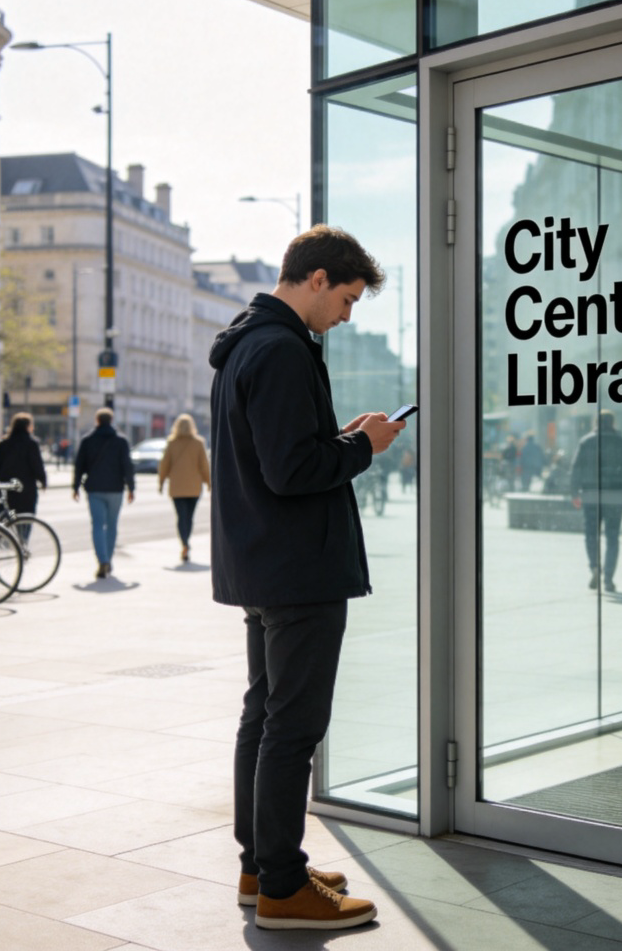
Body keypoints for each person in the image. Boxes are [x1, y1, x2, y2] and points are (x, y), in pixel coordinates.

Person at [209, 224, 405, 931]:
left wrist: (342, 438)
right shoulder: (284, 350)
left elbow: (280, 454)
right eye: (348, 299)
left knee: (263, 717)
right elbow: (293, 471)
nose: (347, 315)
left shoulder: (246, 347)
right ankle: (284, 890)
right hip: (298, 568)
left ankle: (262, 867)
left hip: (264, 563)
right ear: (316, 279)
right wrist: (365, 447)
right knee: (292, 726)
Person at [570, 409, 622, 593]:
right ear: (613, 423)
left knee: (591, 533)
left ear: (596, 423)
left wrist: (574, 492)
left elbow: (576, 468)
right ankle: (608, 578)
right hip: (615, 494)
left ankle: (594, 567)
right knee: (613, 536)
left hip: (591, 493)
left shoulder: (586, 441)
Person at [72, 408, 135, 580]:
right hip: (115, 489)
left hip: (94, 489)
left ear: (97, 421)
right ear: (112, 420)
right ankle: (108, 559)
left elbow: (79, 465)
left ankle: (102, 560)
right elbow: (127, 466)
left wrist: (75, 486)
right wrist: (131, 488)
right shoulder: (121, 441)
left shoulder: (88, 440)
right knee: (112, 525)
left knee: (98, 525)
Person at [158, 413, 210, 562]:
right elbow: (204, 465)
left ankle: (184, 543)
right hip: (194, 487)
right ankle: (187, 541)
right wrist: (208, 482)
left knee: (181, 517)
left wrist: (161, 482)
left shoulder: (172, 443)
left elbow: (164, 465)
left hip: (177, 487)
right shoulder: (199, 443)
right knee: (189, 517)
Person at [0, 413, 47, 515]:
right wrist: (43, 480)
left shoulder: (3, 443)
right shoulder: (31, 444)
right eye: (31, 425)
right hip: (26, 489)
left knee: (4, 521)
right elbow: (37, 465)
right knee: (25, 520)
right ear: (27, 426)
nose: (33, 428)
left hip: (5, 487)